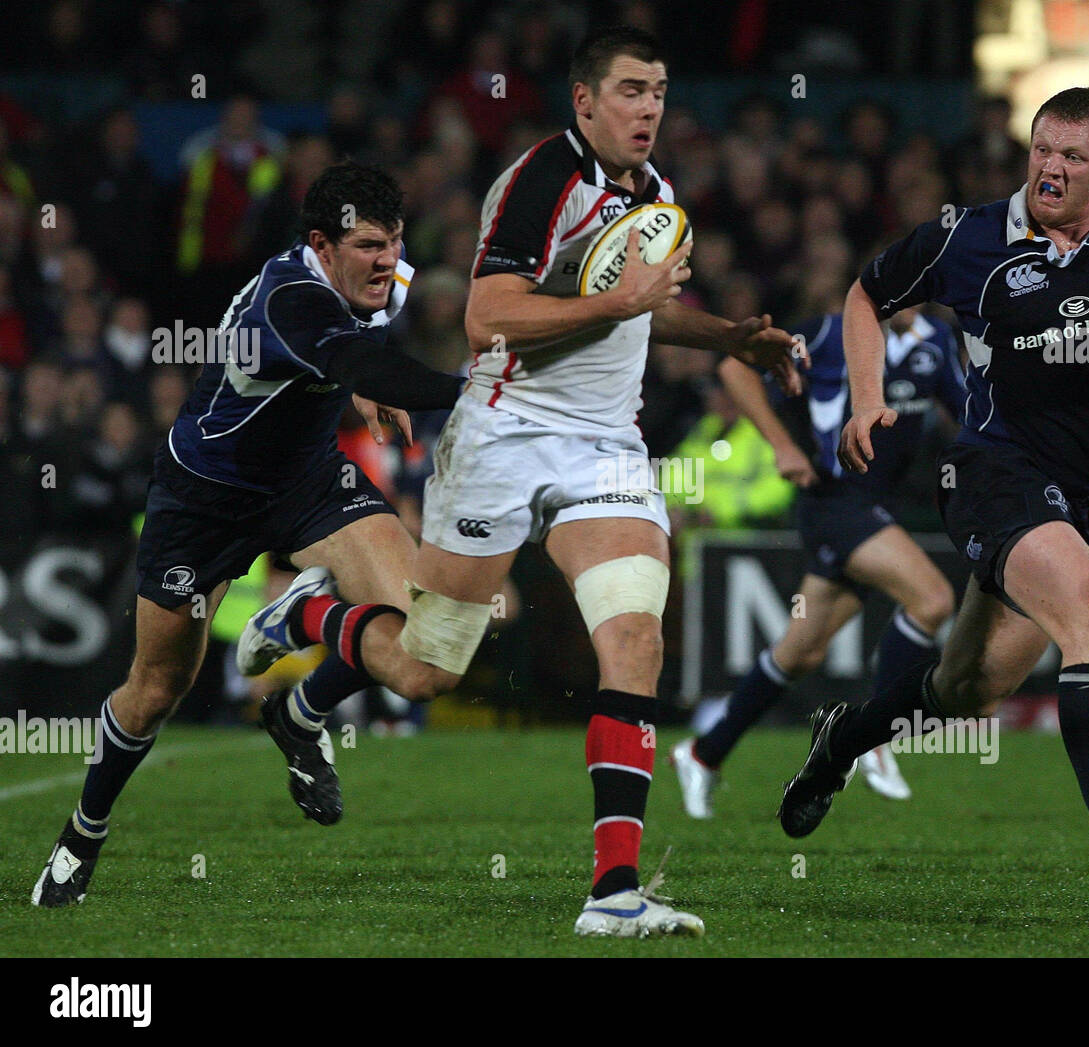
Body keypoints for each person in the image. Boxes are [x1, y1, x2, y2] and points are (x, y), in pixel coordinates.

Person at [237, 25, 802, 938]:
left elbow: (640, 316)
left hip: (606, 450)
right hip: (502, 435)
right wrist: (622, 301)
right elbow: (485, 318)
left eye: (658, 89)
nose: (648, 106)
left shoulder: (653, 194)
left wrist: (730, 335)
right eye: (629, 89)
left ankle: (613, 893)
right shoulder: (540, 181)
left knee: (635, 642)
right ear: (584, 101)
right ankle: (307, 623)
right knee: (427, 670)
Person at [777, 87, 1089, 904]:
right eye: (1042, 149)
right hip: (991, 475)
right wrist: (866, 392)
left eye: (1073, 157)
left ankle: (841, 738)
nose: (1050, 168)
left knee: (966, 690)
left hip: (1080, 500)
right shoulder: (971, 234)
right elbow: (864, 293)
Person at [32, 162, 465, 907]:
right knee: (156, 690)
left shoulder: (375, 276)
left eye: (393, 241)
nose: (388, 260)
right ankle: (83, 831)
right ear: (321, 245)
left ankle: (300, 704)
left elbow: (359, 350)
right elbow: (351, 352)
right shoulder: (290, 298)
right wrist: (476, 392)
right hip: (204, 496)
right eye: (369, 245)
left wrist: (364, 390)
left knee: (424, 649)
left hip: (306, 482)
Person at [673, 306, 964, 816]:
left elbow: (968, 412)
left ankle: (703, 752)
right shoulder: (830, 332)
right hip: (834, 501)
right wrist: (783, 446)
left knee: (799, 652)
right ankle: (872, 738)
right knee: (933, 598)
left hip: (876, 507)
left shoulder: (935, 340)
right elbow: (734, 367)